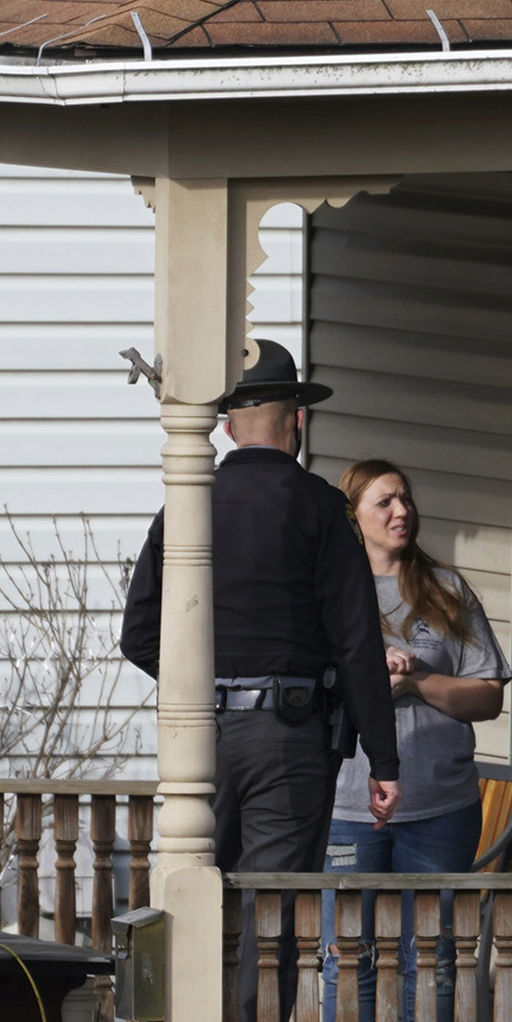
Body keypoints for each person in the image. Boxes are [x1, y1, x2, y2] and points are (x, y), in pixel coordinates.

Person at [120, 338, 400, 873]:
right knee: (273, 912)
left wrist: (200, 685)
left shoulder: (185, 504)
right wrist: (383, 760)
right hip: (287, 738)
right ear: (297, 420)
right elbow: (356, 642)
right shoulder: (321, 506)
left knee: (200, 893)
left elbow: (138, 635)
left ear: (228, 428)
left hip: (200, 734)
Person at [324, 460, 509, 1022]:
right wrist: (365, 673)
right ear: (355, 516)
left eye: (405, 499)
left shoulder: (445, 590)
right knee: (351, 963)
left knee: (429, 962)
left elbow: (487, 698)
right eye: (384, 502)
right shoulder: (328, 589)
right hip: (351, 805)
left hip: (439, 807)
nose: (401, 511)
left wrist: (418, 681)